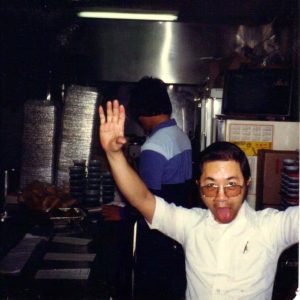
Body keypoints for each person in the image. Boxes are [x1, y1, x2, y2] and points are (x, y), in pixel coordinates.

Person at [99, 100, 299, 300]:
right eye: (210, 186)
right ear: (199, 186)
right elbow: (142, 199)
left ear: (247, 184)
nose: (221, 197)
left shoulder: (270, 228)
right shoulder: (191, 224)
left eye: (232, 185)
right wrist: (114, 154)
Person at [101, 77, 193, 300]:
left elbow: (146, 199)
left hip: (156, 236)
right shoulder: (181, 136)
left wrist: (120, 213)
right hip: (177, 231)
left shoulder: (154, 145)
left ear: (139, 112)